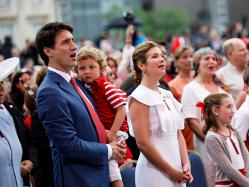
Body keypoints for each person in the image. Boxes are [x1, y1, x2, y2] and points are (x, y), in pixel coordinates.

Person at [35, 22, 126, 187]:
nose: (74, 46)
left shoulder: (78, 82)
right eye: (65, 42)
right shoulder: (49, 92)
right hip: (80, 179)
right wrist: (108, 150)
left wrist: (112, 141)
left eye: (73, 40)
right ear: (48, 51)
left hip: (99, 175)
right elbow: (69, 145)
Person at [127, 41, 192, 186]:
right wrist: (170, 171)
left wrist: (185, 163)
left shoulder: (167, 94)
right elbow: (143, 143)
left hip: (176, 167)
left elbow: (178, 133)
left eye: (162, 55)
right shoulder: (139, 97)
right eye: (155, 56)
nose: (162, 59)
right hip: (154, 171)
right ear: (141, 65)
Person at [76, 46, 131, 187]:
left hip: (114, 131)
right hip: (105, 132)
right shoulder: (88, 88)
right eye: (82, 68)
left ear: (101, 68)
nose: (87, 71)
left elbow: (121, 109)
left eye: (91, 67)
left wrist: (112, 132)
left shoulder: (106, 88)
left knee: (112, 166)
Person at [182, 47, 228, 187]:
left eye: (214, 58)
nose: (212, 61)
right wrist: (215, 143)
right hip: (207, 148)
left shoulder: (222, 90)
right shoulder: (190, 89)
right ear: (197, 64)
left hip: (229, 146)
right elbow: (192, 122)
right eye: (206, 58)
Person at [204, 93, 249, 187]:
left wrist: (248, 182)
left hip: (244, 182)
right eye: (228, 107)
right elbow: (228, 168)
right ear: (215, 110)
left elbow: (247, 159)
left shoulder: (234, 132)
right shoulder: (212, 138)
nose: (233, 111)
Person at [0, 58, 24, 187]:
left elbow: (26, 139)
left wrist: (30, 160)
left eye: (1, 81)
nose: (1, 88)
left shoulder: (10, 110)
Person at [168, 46, 194, 150]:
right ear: (176, 61)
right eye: (185, 57)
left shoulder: (198, 81)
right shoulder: (172, 85)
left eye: (191, 56)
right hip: (186, 130)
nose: (189, 60)